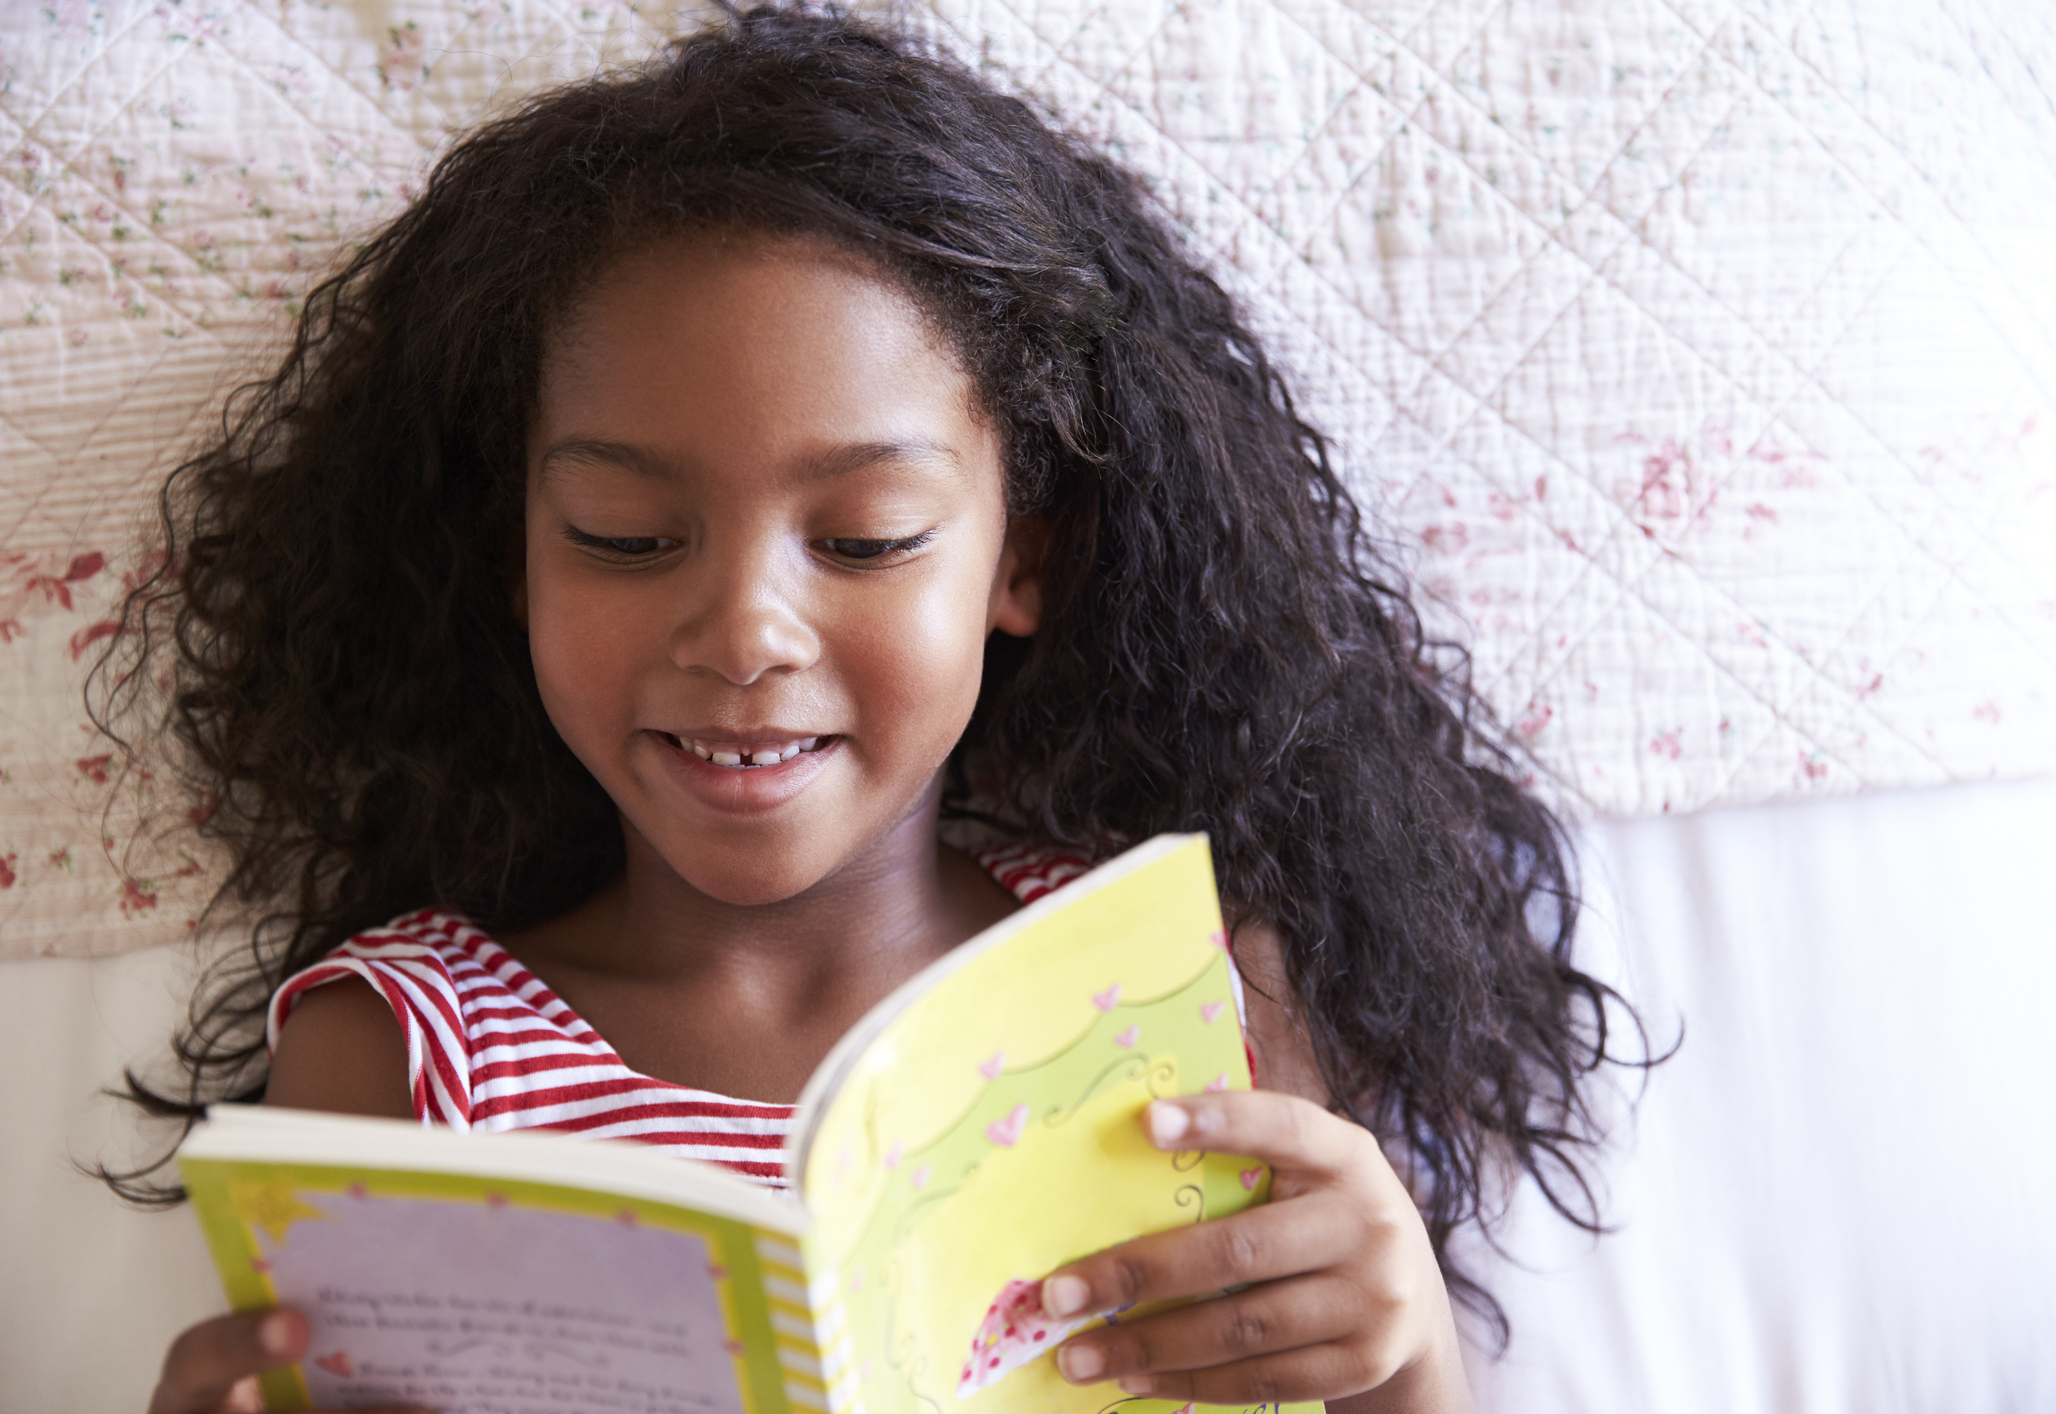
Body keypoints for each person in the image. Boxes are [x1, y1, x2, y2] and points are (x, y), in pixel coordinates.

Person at [102, 7, 1640, 1412]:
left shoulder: (1193, 995)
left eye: (862, 539)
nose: (743, 632)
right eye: (627, 539)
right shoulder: (404, 1055)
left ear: (1017, 557)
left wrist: (1403, 1342)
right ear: (511, 555)